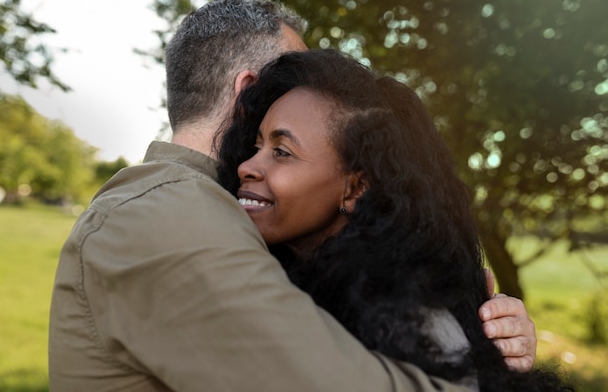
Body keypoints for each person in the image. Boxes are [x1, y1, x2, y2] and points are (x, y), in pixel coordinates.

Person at [48, 0, 536, 391]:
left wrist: (481, 334)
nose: (304, 92)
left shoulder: (238, 225)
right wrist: (478, 371)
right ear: (249, 93)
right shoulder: (172, 215)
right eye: (290, 78)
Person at [217, 48, 573, 391]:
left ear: (356, 190)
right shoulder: (268, 273)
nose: (247, 167)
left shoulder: (408, 332)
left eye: (281, 152)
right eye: (256, 146)